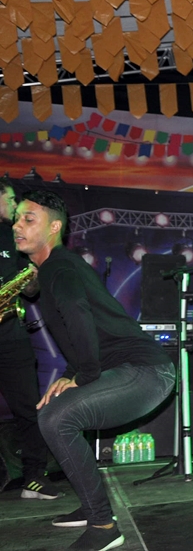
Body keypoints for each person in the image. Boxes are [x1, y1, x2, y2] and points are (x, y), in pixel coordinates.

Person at [13, 190, 176, 551]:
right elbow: (85, 330)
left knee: (56, 418)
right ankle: (92, 506)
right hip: (130, 369)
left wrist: (83, 375)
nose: (17, 225)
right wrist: (71, 374)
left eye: (28, 218)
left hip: (146, 371)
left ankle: (103, 526)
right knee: (61, 408)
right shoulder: (58, 267)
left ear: (54, 227)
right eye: (16, 218)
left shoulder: (58, 266)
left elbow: (77, 314)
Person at [0, 177, 61, 500]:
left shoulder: (15, 236)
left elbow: (32, 292)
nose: (14, 207)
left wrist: (32, 280)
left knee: (28, 408)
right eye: (10, 199)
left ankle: (34, 477)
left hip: (11, 336)